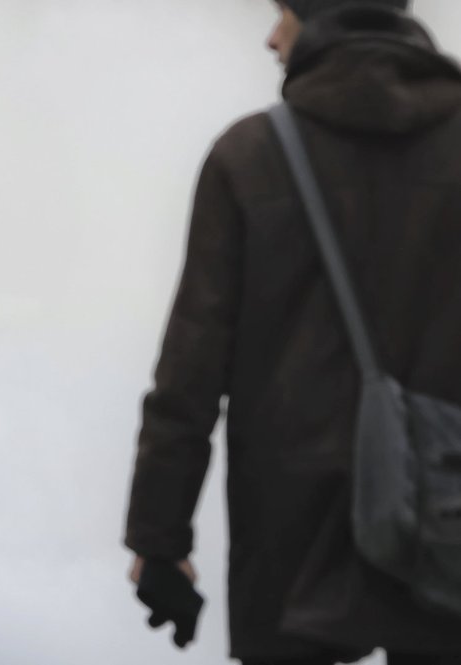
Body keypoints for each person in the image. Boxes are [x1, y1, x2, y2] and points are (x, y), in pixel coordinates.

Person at [124, 1, 461, 663]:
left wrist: (160, 541)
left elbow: (190, 374)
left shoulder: (251, 155)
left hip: (290, 534)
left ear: (319, 18)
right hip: (449, 517)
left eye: (282, 13)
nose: (270, 35)